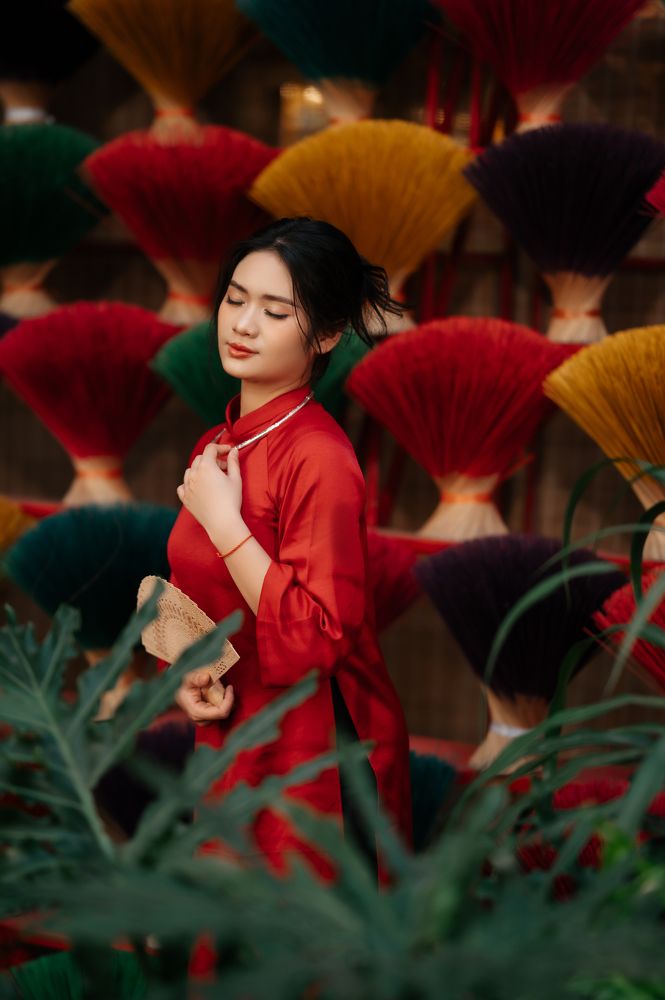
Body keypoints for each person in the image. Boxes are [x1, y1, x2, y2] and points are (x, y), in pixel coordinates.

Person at [170, 216, 412, 878]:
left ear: (326, 335)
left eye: (274, 311)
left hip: (310, 747)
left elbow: (318, 637)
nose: (242, 324)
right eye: (235, 298)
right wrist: (190, 671)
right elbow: (192, 592)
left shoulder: (319, 457)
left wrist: (226, 524)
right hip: (231, 729)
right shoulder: (217, 443)